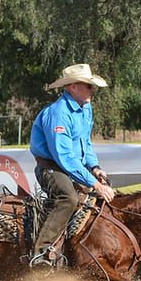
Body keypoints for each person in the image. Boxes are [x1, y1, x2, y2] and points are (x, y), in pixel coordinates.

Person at [29, 63, 116, 267]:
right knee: (68, 198)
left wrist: (94, 167)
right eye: (88, 85)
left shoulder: (86, 110)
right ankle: (41, 252)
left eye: (91, 85)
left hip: (70, 166)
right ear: (72, 87)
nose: (92, 90)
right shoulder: (58, 113)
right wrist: (95, 184)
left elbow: (85, 143)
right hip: (51, 167)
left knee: (94, 202)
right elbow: (64, 156)